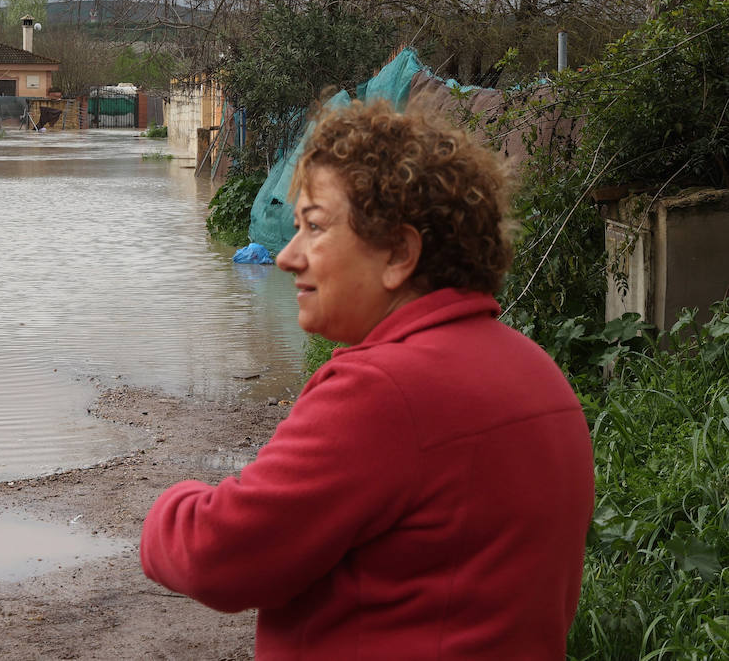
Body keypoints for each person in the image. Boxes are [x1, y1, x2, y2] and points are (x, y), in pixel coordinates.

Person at [141, 100, 594, 659]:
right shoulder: (540, 375)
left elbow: (219, 557)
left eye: (314, 227)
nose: (286, 256)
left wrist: (168, 509)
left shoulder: (380, 391)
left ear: (400, 253)